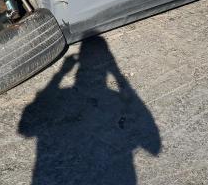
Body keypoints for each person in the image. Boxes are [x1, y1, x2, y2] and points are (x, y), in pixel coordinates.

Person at [18, 36, 161, 185]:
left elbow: (25, 128)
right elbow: (154, 146)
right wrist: (118, 75)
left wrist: (60, 74)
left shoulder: (64, 97)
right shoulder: (114, 99)